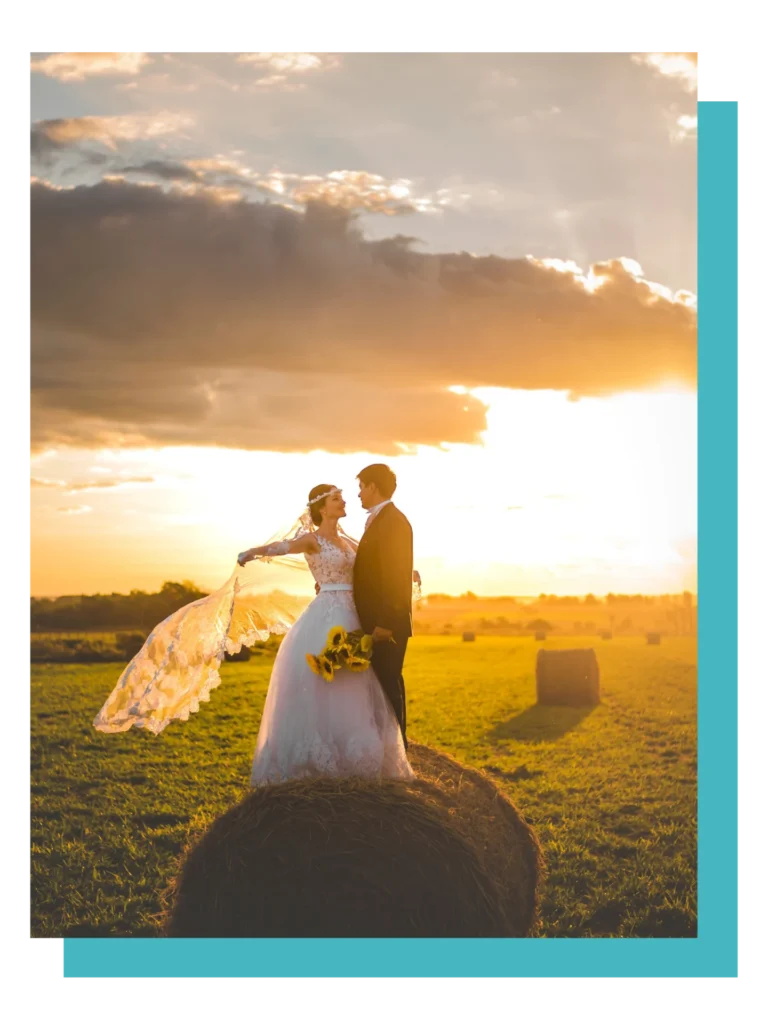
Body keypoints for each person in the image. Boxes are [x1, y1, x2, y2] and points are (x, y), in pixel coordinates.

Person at [93, 481, 414, 788]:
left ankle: (359, 757)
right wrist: (253, 552)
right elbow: (282, 546)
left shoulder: (349, 541)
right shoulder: (312, 539)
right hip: (327, 614)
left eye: (344, 497)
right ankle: (321, 758)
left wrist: (406, 572)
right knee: (327, 683)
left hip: (353, 616)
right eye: (337, 499)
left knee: (356, 682)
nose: (344, 501)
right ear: (322, 508)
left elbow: (375, 565)